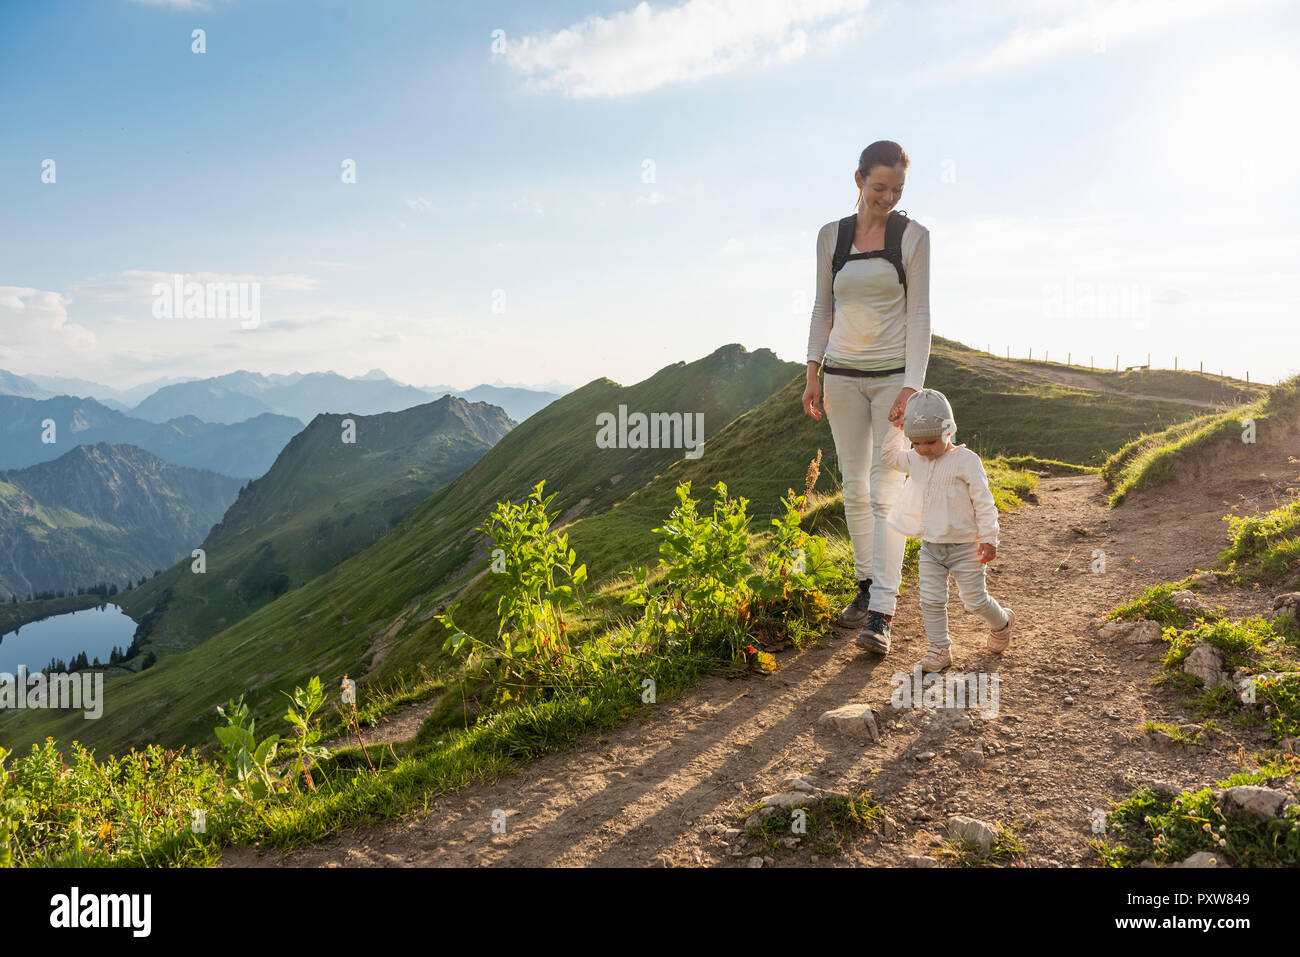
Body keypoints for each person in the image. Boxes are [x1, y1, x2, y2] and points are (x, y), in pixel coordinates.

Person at [802, 140, 931, 654]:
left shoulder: (914, 237)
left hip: (892, 377)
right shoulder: (830, 238)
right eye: (879, 187)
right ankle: (862, 586)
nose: (888, 197)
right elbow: (820, 307)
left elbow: (920, 315)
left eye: (897, 189)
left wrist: (911, 385)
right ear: (858, 180)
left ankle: (882, 611)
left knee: (886, 488)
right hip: (841, 377)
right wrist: (813, 372)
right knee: (854, 487)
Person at [880, 388, 1015, 672]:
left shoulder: (966, 461)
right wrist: (897, 427)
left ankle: (1002, 622)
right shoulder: (915, 458)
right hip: (931, 547)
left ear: (948, 431)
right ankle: (940, 648)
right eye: (916, 442)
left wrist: (989, 538)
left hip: (967, 545)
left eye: (930, 441)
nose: (924, 449)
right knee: (930, 599)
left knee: (974, 601)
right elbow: (889, 456)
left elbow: (984, 501)